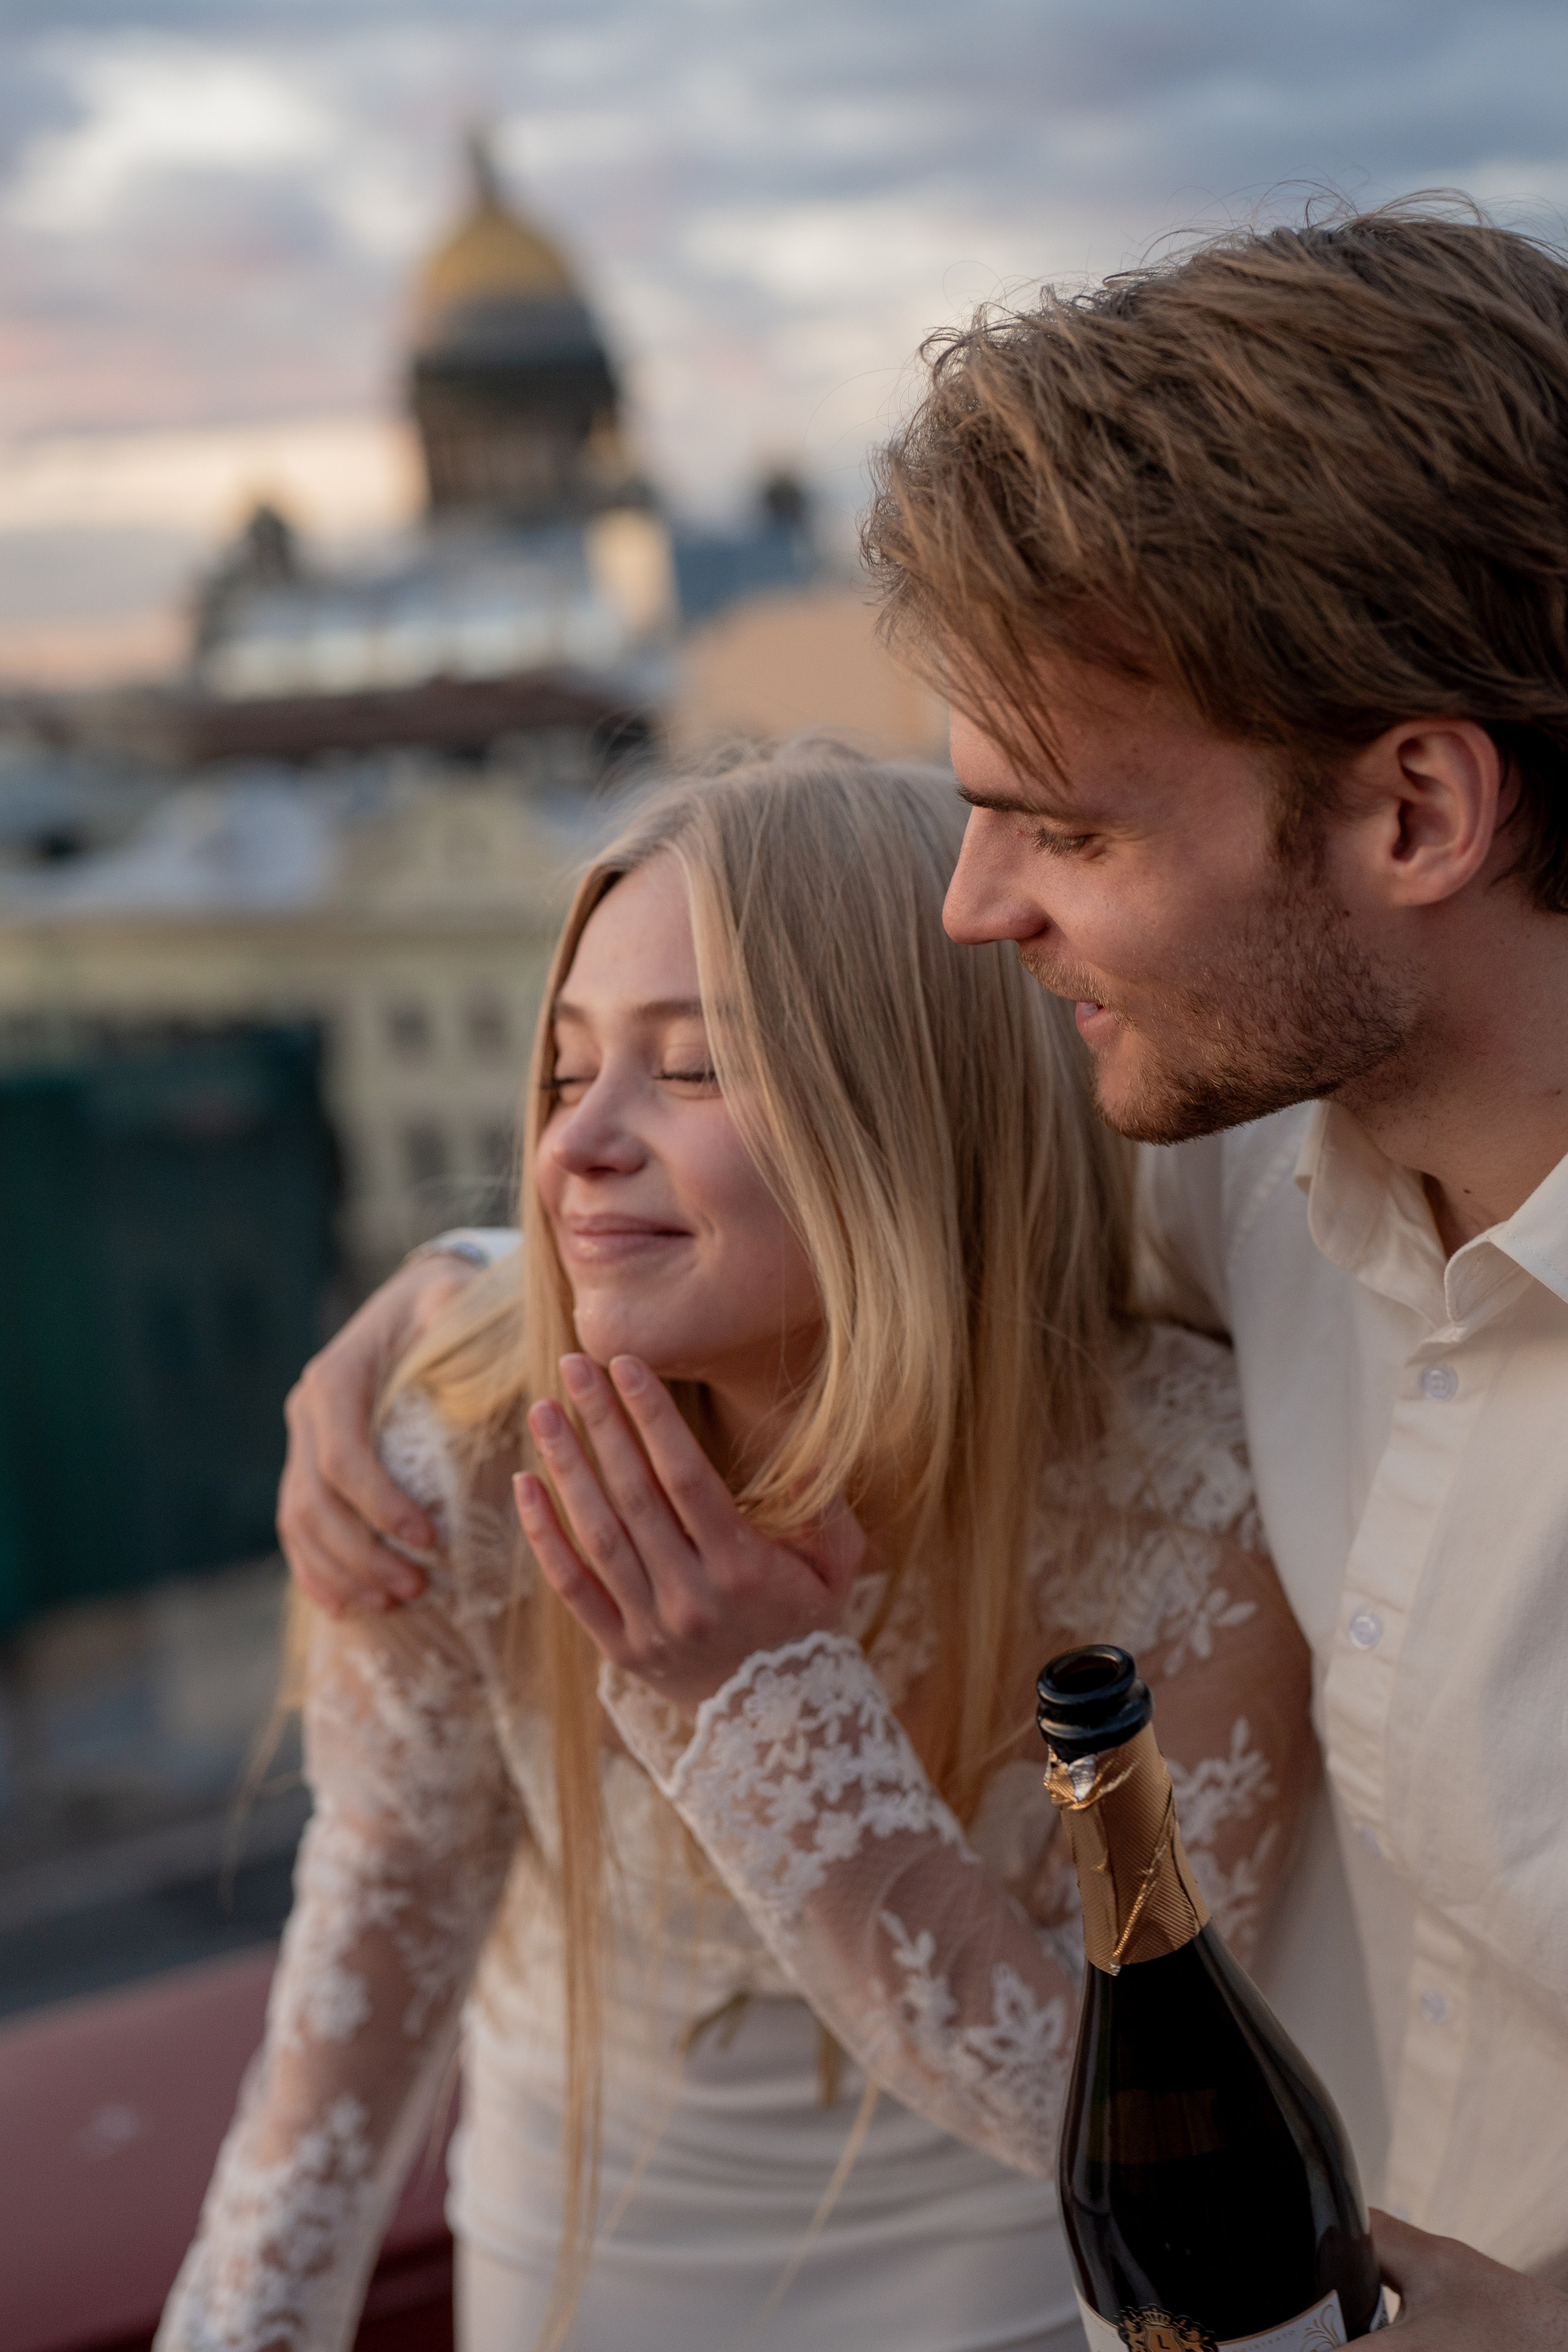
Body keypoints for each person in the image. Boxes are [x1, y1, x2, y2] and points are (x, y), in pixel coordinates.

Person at [287, 202, 1568, 2346]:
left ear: (1415, 808)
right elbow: (873, 1188)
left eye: (1066, 831)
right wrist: (463, 1277)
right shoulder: (1241, 1152)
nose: (973, 909)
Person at [160, 747, 1313, 2352]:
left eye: (689, 1069)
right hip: (588, 2256)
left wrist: (769, 1708)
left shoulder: (1191, 1513)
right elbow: (349, 2018)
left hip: (1016, 2274)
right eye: (565, 1074)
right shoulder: (464, 1453)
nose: (575, 1147)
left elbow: (1145, 2119)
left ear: (912, 1109)